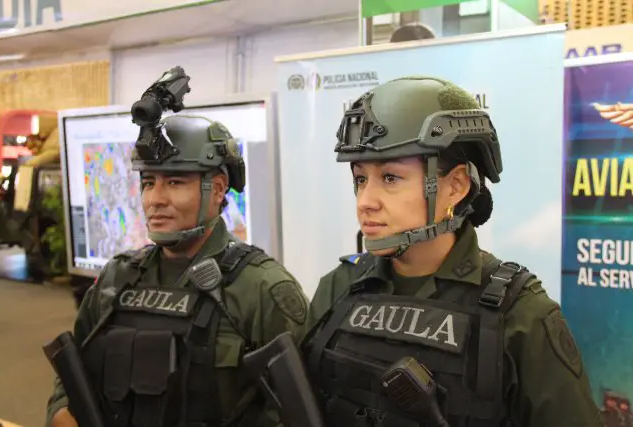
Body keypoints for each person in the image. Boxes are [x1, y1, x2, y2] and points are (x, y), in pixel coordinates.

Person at [301, 76, 603, 426]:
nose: (365, 202)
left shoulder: (520, 316)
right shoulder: (338, 289)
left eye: (390, 178)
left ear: (455, 186)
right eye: (360, 179)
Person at [46, 114, 310, 427]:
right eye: (148, 183)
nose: (155, 199)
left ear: (217, 189)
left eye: (174, 182)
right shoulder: (116, 279)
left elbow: (299, 410)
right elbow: (71, 379)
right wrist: (63, 414)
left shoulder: (262, 288)